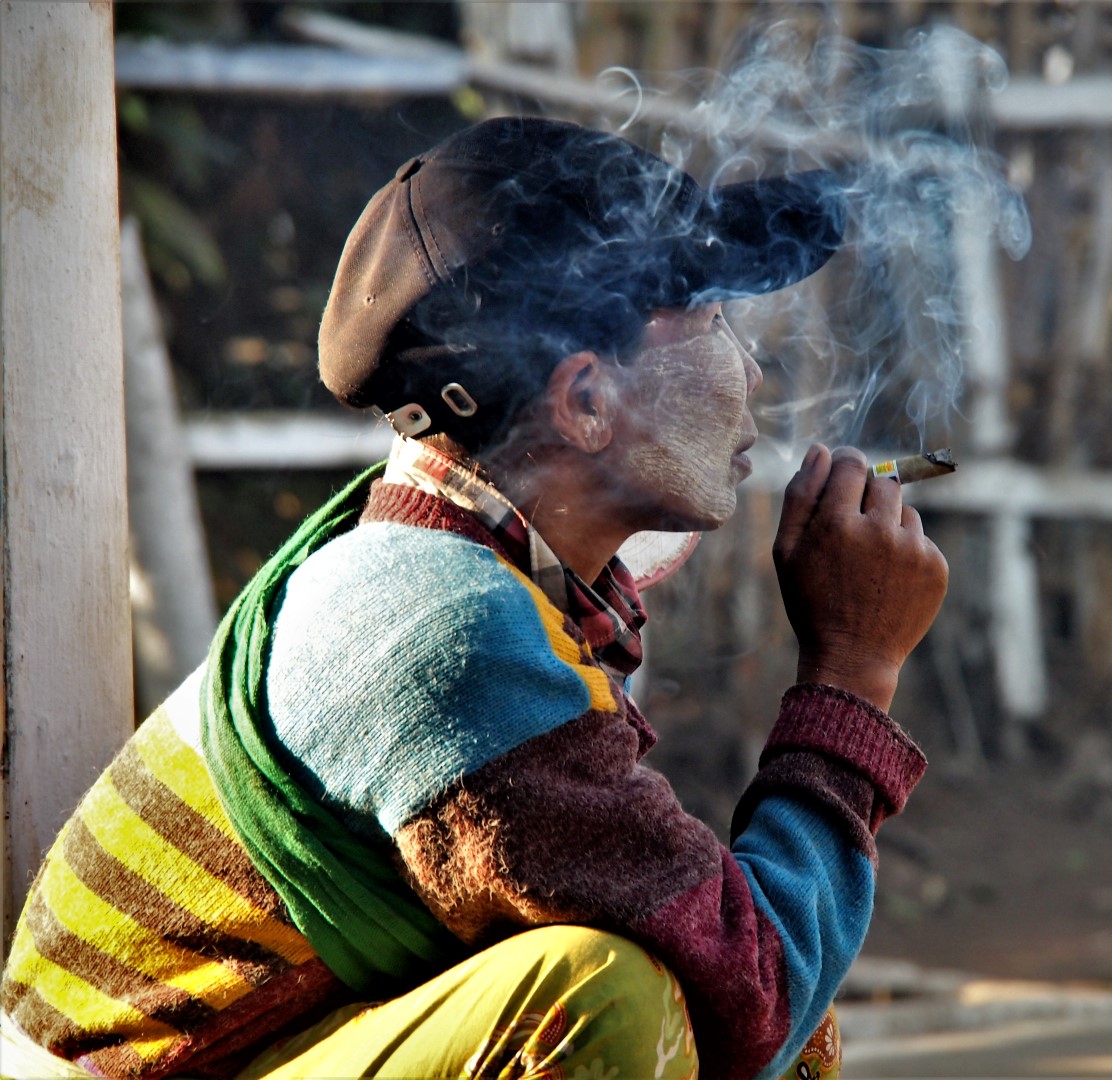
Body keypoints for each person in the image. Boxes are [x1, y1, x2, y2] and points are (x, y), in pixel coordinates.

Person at [1, 117, 947, 1080]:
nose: (750, 372)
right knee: (606, 1001)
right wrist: (853, 668)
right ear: (584, 401)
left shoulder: (467, 572)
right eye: (710, 324)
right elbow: (751, 994)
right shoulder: (448, 627)